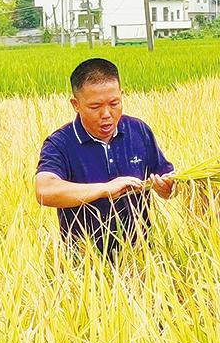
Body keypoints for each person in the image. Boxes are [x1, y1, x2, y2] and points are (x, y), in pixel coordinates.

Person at [35, 56, 176, 250]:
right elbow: (45, 191)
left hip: (141, 258)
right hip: (84, 264)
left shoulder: (138, 130)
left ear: (122, 95)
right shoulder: (60, 143)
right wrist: (104, 189)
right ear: (75, 104)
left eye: (114, 103)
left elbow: (166, 178)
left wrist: (167, 188)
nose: (107, 114)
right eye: (95, 107)